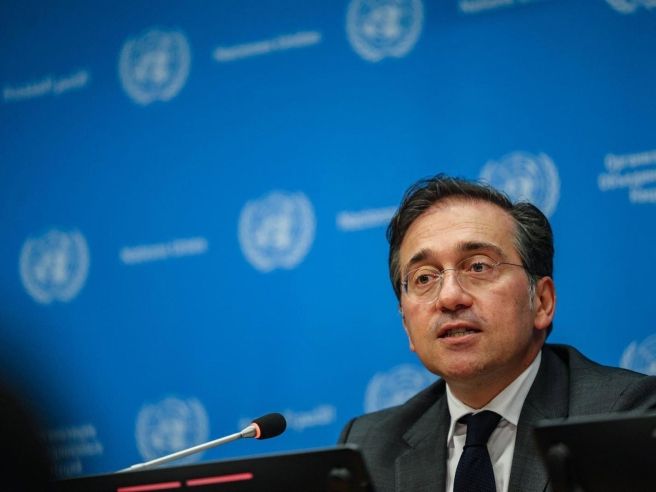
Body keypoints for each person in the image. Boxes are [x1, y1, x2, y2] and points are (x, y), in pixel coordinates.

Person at [339, 175, 656, 492]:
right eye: (424, 278)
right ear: (406, 325)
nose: (449, 297)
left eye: (478, 266)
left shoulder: (625, 417)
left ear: (542, 301)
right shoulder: (369, 447)